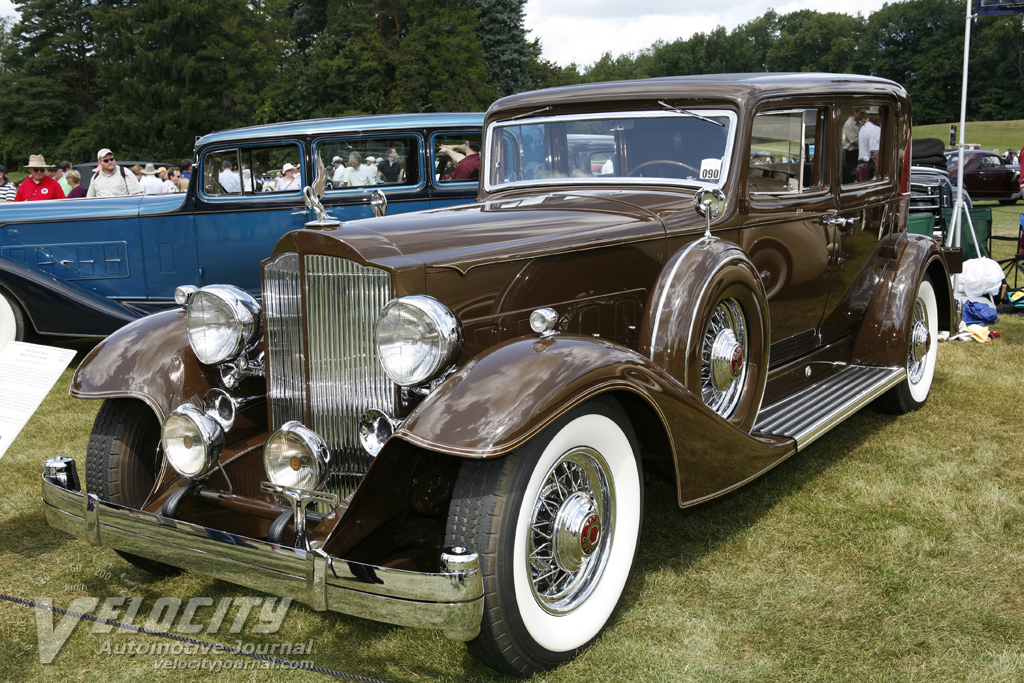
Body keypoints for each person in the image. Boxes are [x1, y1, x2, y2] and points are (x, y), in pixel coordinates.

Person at [857, 109, 882, 179]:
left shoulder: (864, 127)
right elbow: (875, 154)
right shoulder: (876, 129)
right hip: (869, 169)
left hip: (862, 165)